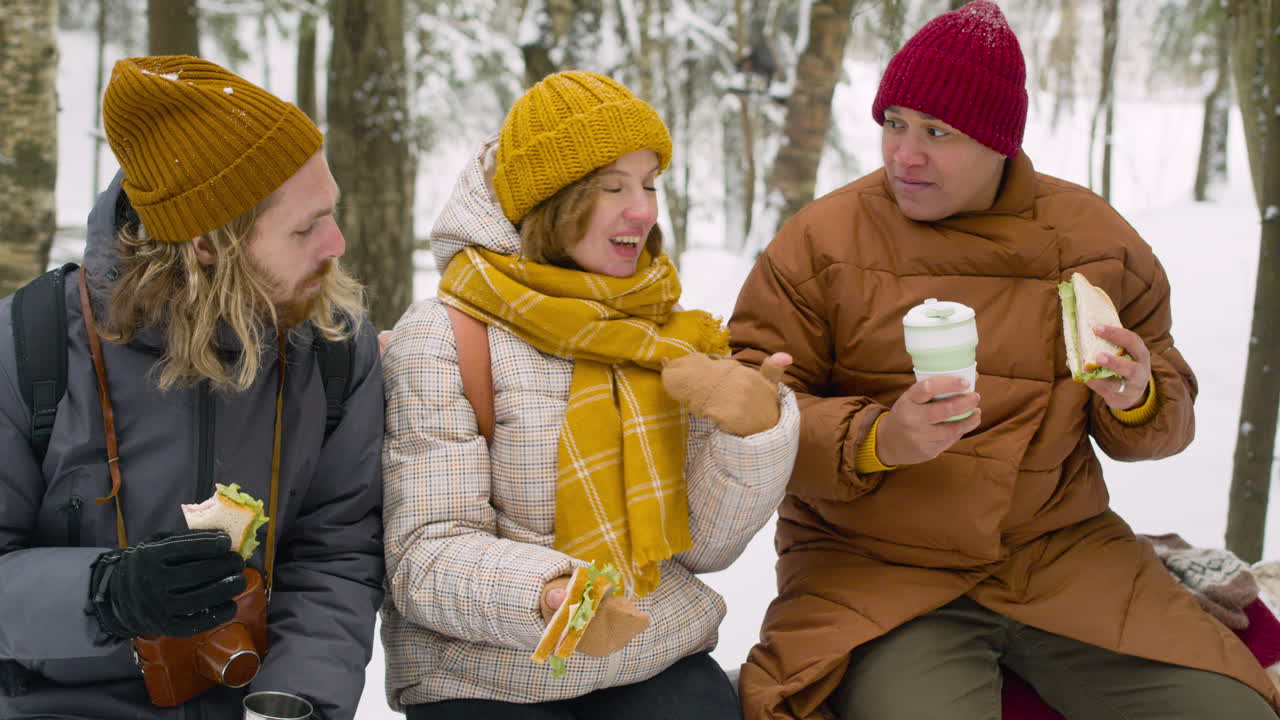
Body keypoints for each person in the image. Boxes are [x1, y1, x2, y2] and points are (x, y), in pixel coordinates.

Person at [728, 2, 1280, 719]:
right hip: (876, 567)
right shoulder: (821, 241)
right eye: (893, 122)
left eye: (937, 131)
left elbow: (1167, 422)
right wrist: (875, 439)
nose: (904, 154)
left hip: (1063, 555)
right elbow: (744, 407)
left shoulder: (1093, 239)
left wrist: (1139, 395)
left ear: (999, 142)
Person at [380, 70, 799, 719]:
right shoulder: (445, 336)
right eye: (614, 188)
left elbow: (704, 550)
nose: (644, 210)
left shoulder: (663, 329)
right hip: (485, 669)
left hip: (646, 646)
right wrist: (554, 594)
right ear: (552, 200)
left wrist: (754, 434)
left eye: (650, 184)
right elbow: (424, 555)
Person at [0, 56, 384, 720]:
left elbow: (337, 547)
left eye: (331, 212)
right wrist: (104, 594)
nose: (338, 242)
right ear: (208, 244)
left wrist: (296, 700)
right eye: (305, 228)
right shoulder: (29, 344)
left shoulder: (334, 351)